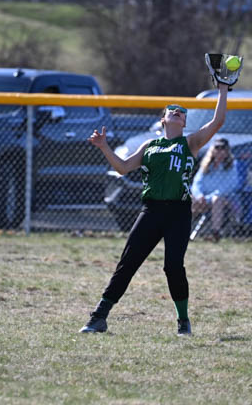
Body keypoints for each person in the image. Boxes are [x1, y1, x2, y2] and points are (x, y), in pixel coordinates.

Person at [80, 82, 230, 336]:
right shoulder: (150, 146)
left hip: (179, 212)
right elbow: (123, 168)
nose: (177, 111)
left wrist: (223, 89)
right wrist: (104, 146)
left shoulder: (190, 143)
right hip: (151, 210)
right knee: (127, 263)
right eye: (172, 110)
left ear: (184, 123)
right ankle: (99, 317)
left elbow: (218, 121)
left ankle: (183, 320)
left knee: (173, 266)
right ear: (163, 119)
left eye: (182, 112)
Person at [190, 136, 241, 241]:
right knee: (188, 199)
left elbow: (230, 186)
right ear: (212, 150)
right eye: (217, 148)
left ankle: (215, 232)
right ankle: (181, 230)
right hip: (203, 200)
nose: (219, 151)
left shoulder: (232, 166)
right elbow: (196, 183)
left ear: (227, 151)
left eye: (223, 149)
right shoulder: (206, 166)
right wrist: (199, 195)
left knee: (217, 199)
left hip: (226, 199)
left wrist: (208, 198)